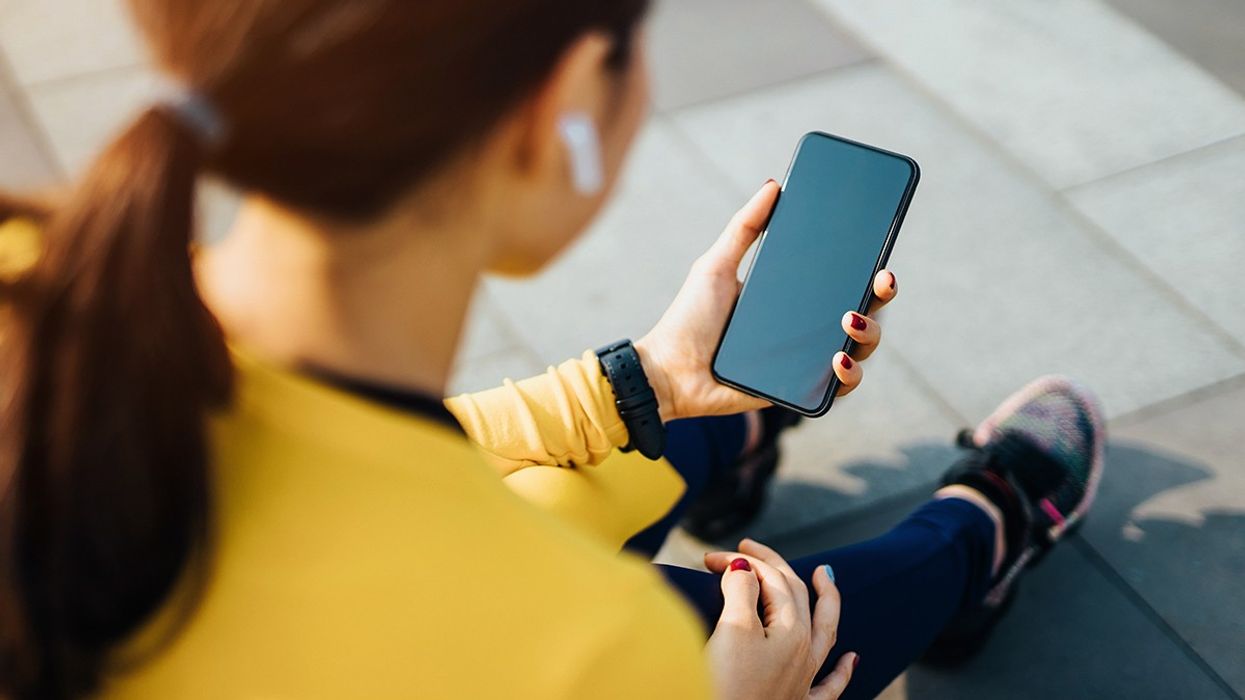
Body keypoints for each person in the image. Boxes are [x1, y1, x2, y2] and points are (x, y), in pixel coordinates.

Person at [0, 1, 1105, 698]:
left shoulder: (39, 285)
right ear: (565, 105)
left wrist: (637, 385)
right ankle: (983, 535)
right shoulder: (595, 653)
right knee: (780, 625)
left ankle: (724, 435)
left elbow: (363, 462)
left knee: (617, 456)